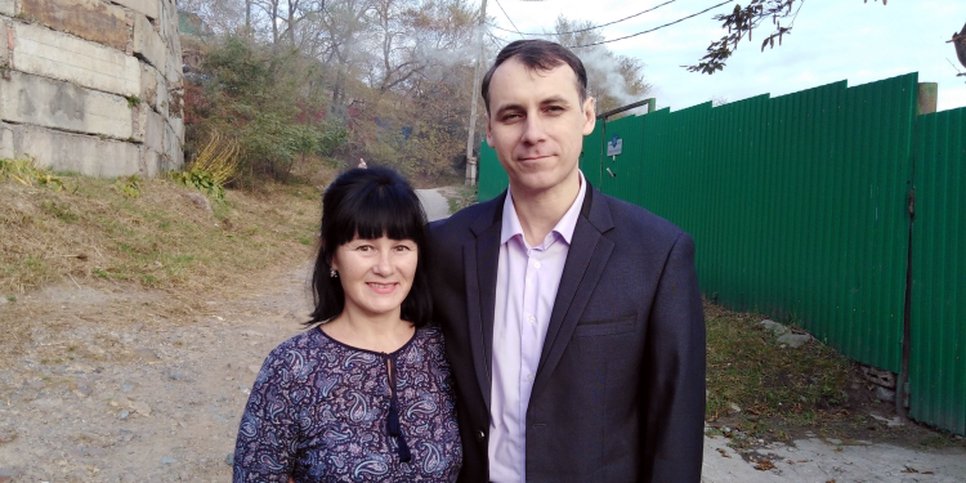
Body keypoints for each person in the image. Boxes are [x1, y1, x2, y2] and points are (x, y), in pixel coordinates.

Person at [427, 39, 706, 482]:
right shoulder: (444, 247)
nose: (532, 132)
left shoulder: (657, 253)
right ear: (490, 130)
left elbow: (676, 424)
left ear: (588, 115)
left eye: (553, 108)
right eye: (512, 114)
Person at [234, 166, 462, 482]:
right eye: (364, 247)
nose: (385, 267)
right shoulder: (292, 368)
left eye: (401, 247)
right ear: (332, 255)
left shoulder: (442, 348)